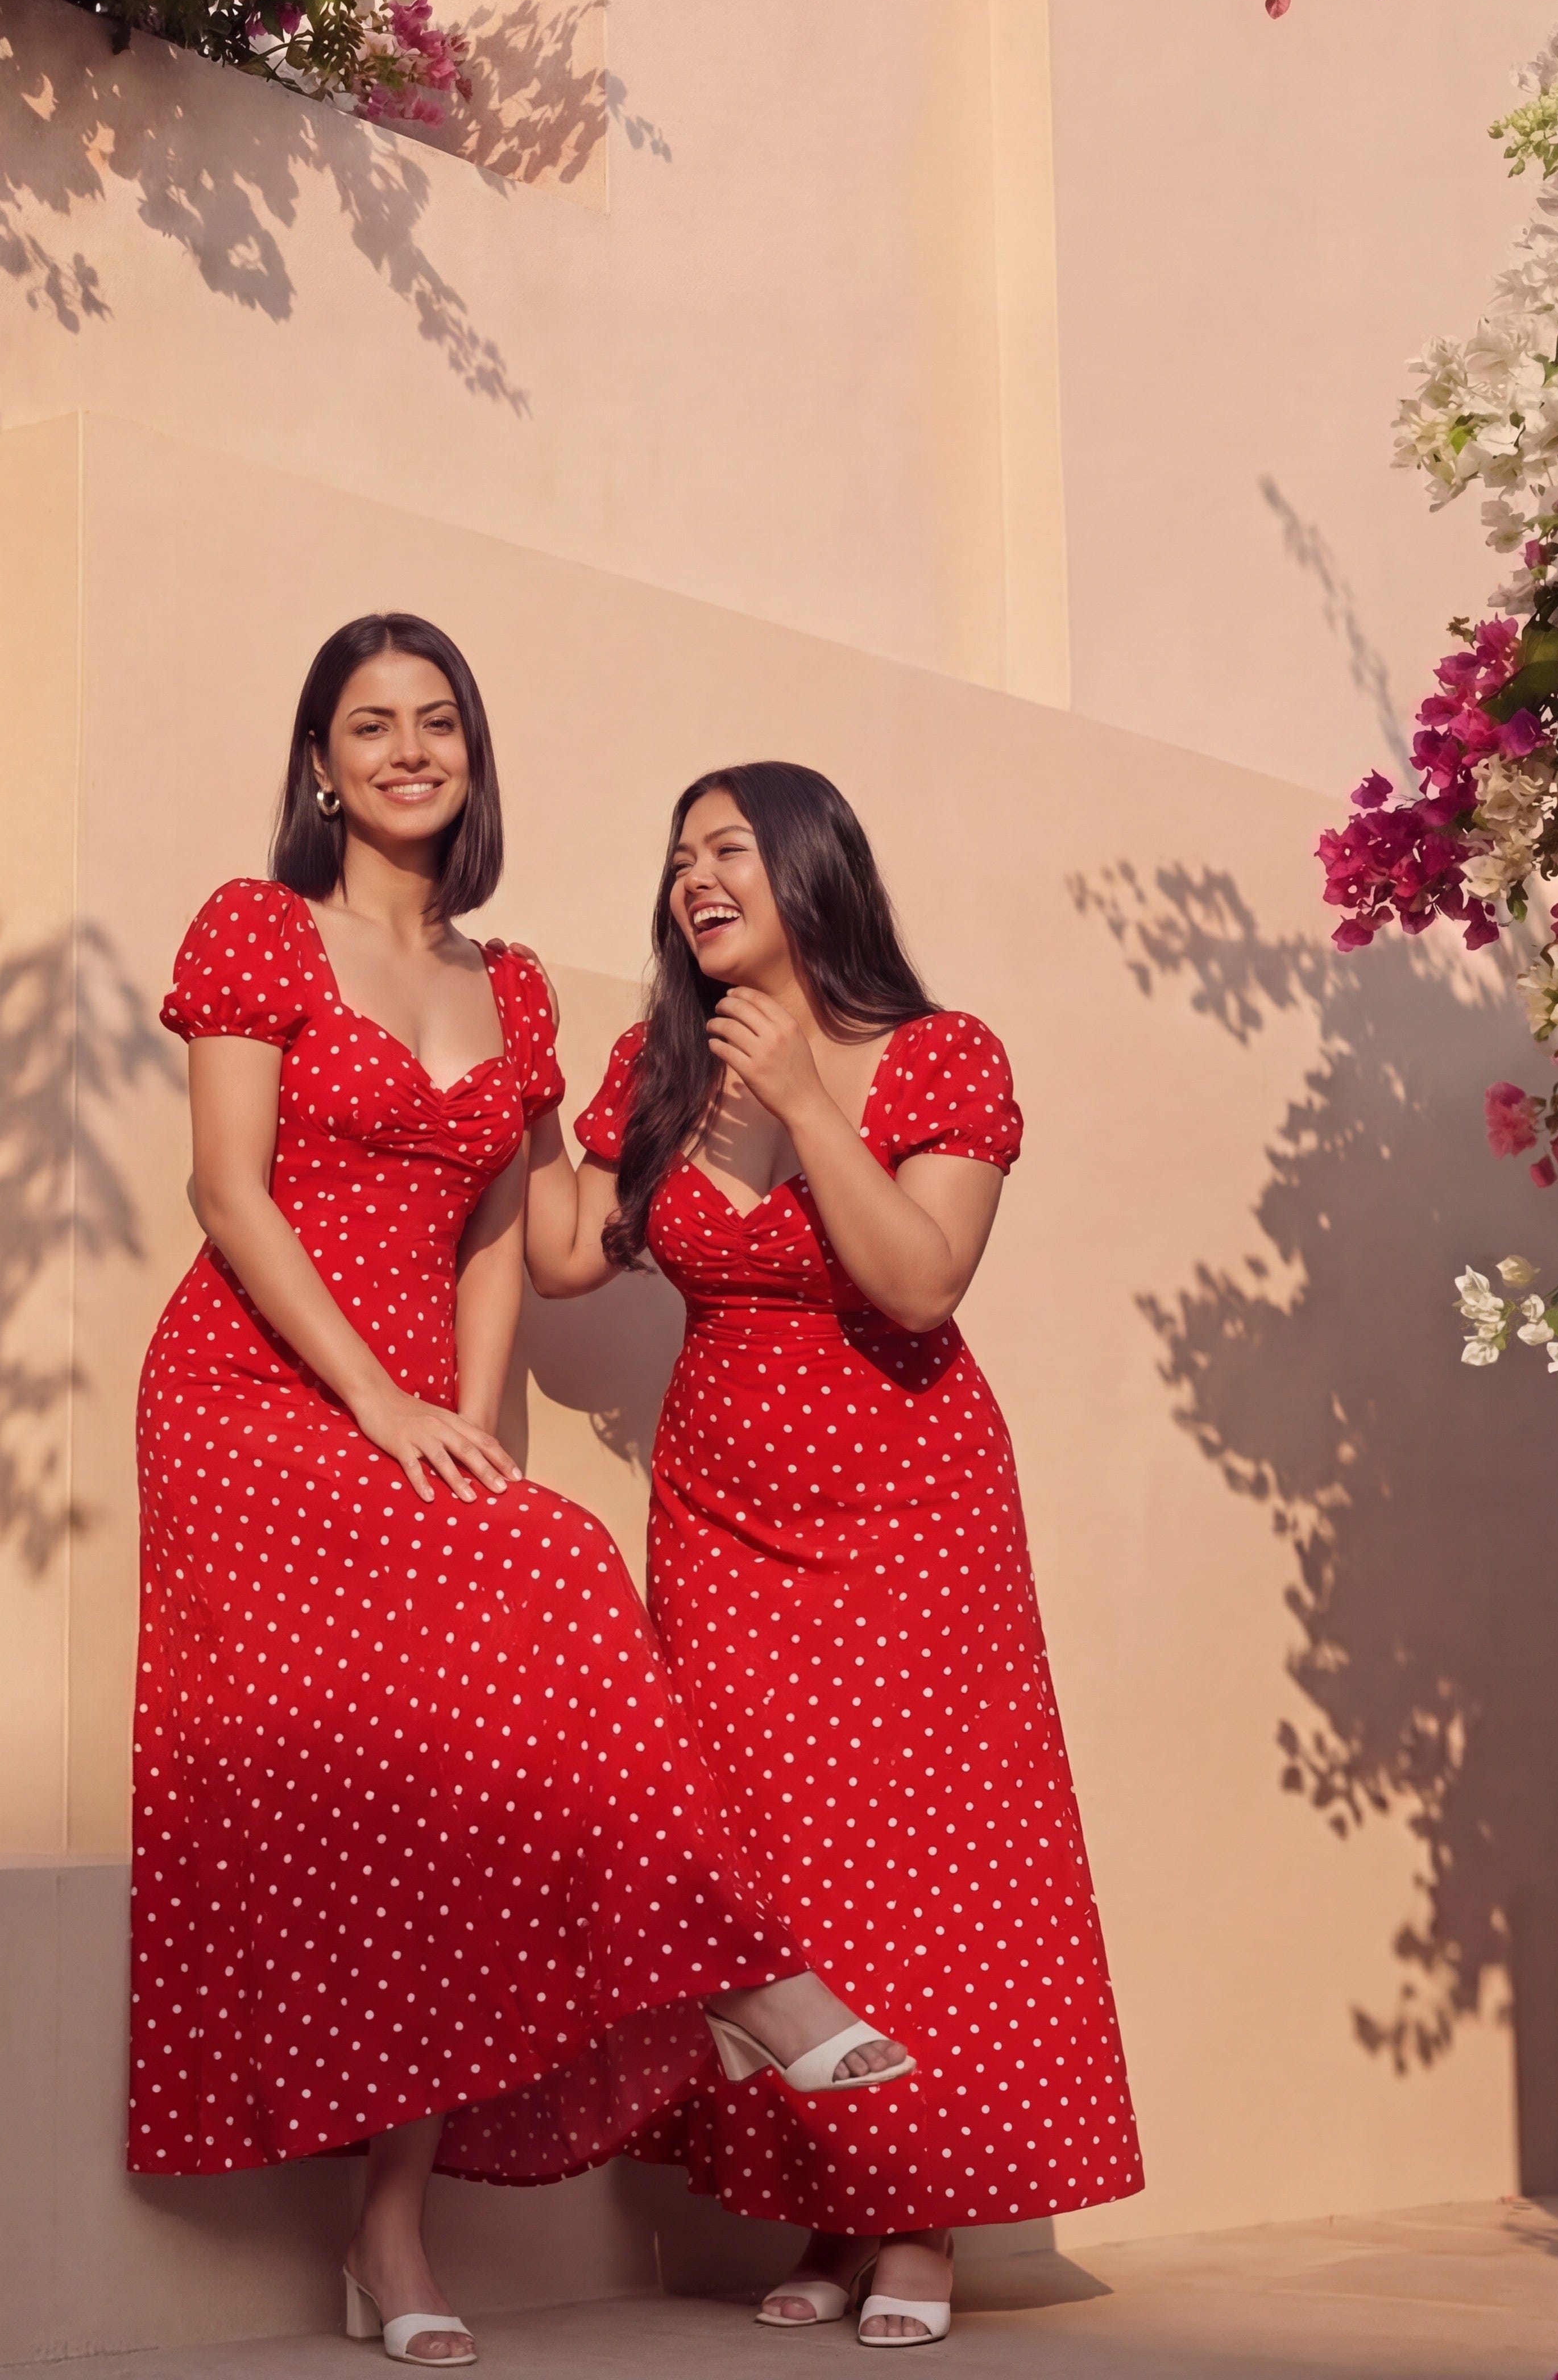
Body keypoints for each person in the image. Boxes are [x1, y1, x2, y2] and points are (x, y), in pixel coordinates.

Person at [130, 637, 913, 2369]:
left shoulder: (519, 991)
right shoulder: (257, 928)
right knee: (559, 1563)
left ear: (471, 763)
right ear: (322, 766)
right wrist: (381, 1404)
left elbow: (508, 1233)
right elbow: (228, 1192)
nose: (411, 753)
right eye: (370, 730)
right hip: (260, 1392)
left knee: (470, 1761)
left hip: (416, 1414)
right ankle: (742, 1987)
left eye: (440, 727)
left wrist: (464, 1429)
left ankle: (393, 2236)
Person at [524, 762, 1143, 2348]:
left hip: (911, 1511)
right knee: (771, 1862)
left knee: (918, 1860)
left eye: (729, 849)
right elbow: (567, 1257)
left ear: (814, 868)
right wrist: (514, 1081)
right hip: (722, 1515)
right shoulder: (657, 1067)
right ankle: (826, 2201)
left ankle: (920, 2222)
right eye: (678, 860)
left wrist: (805, 1096)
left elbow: (921, 1284)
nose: (695, 879)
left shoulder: (938, 1055)